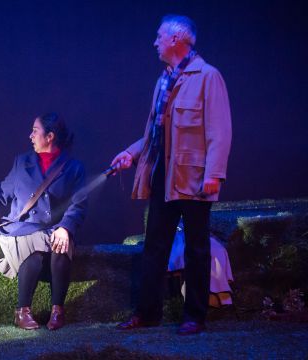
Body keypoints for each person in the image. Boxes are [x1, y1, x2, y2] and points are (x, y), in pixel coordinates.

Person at [111, 14, 232, 335]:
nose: (155, 42)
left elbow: (220, 131)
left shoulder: (208, 76)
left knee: (196, 247)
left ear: (176, 39)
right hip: (163, 174)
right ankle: (147, 313)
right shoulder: (163, 80)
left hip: (194, 177)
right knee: (155, 246)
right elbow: (153, 131)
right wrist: (131, 153)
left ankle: (195, 316)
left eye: (159, 37)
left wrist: (214, 174)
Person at [0, 113, 87, 331]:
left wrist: (65, 228)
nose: (30, 135)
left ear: (49, 136)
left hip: (52, 231)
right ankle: (22, 312)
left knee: (60, 247)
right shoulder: (22, 163)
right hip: (21, 231)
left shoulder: (74, 168)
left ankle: (58, 311)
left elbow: (79, 204)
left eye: (35, 131)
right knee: (36, 252)